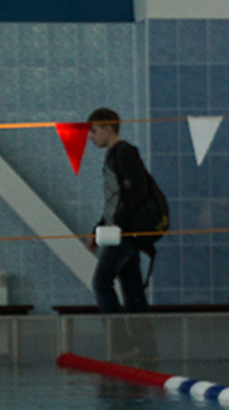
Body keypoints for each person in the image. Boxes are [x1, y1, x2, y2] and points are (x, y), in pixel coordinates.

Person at [85, 106, 154, 314]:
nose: (90, 138)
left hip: (122, 232)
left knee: (101, 283)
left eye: (94, 131)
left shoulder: (124, 153)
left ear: (108, 129)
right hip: (120, 230)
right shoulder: (115, 155)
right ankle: (143, 345)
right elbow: (115, 201)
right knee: (132, 290)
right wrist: (98, 230)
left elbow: (137, 191)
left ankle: (119, 344)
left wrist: (116, 224)